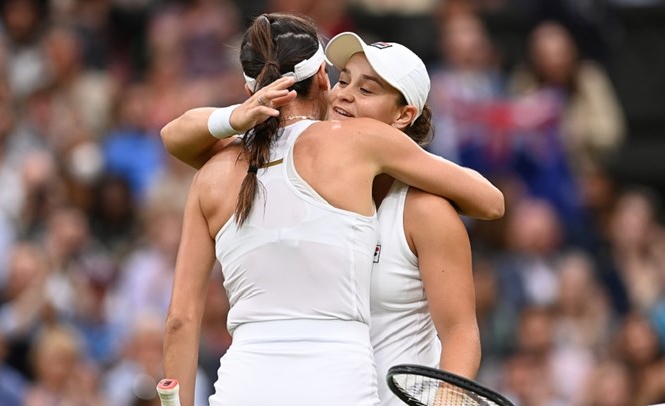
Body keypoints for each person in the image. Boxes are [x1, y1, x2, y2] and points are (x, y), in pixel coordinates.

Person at [161, 13, 504, 406]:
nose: (345, 95)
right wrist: (236, 117)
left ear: (404, 116)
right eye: (343, 80)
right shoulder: (323, 147)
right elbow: (176, 136)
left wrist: (447, 401)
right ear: (323, 80)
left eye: (368, 90)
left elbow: (461, 326)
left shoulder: (424, 210)